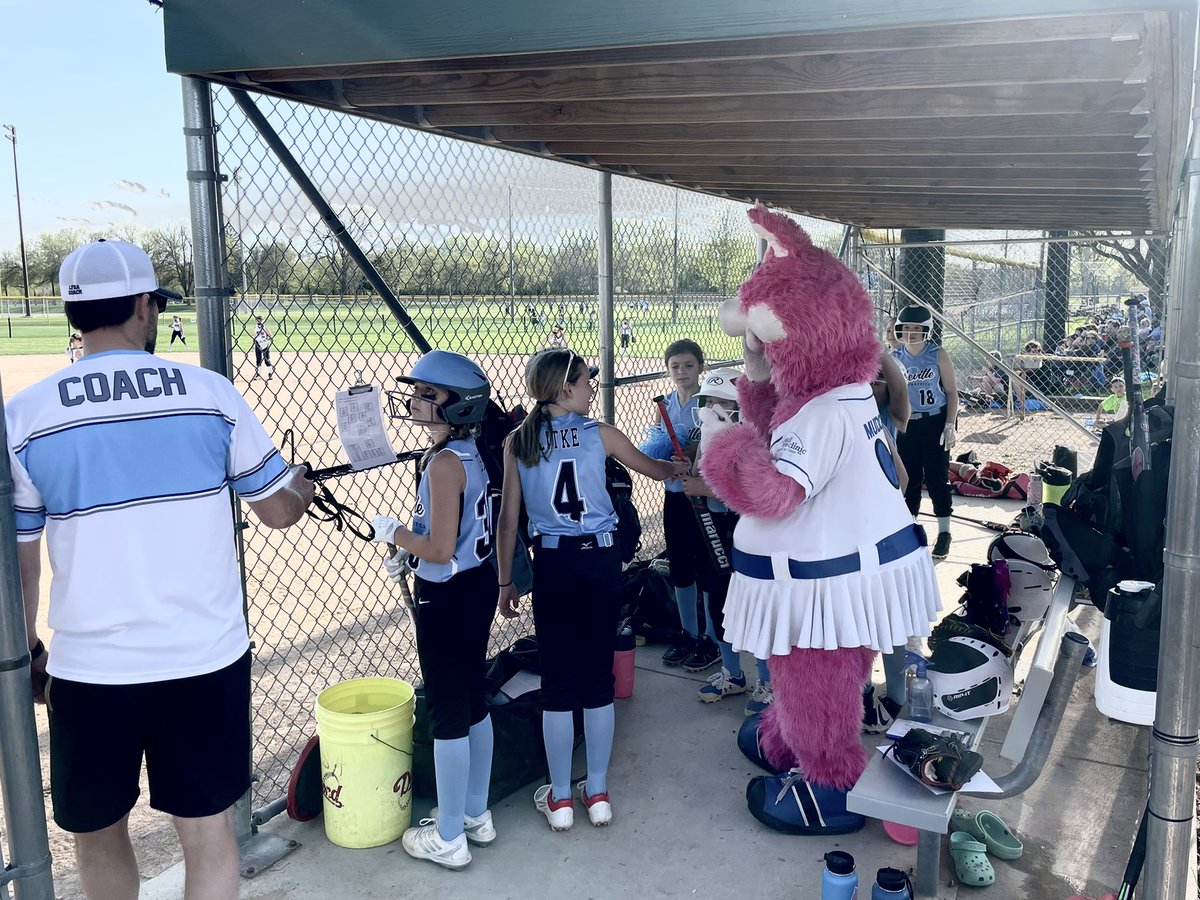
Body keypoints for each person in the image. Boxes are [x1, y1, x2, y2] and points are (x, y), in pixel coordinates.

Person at [7, 239, 315, 900]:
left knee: (99, 833)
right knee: (207, 832)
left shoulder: (26, 417)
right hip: (204, 658)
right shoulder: (210, 395)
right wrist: (302, 486)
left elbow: (22, 568)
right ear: (145, 307)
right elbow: (278, 512)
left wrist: (30, 649)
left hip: (92, 668)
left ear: (71, 315)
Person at [494, 348, 685, 832]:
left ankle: (560, 800)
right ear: (564, 389)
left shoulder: (519, 440)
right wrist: (684, 466)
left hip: (553, 565)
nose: (592, 387)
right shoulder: (600, 433)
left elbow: (508, 521)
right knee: (598, 681)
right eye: (584, 381)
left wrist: (504, 581)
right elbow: (657, 469)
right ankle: (596, 793)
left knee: (559, 682)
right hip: (599, 562)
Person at [370, 351, 498, 870]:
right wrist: (413, 545)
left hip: (447, 594)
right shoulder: (468, 454)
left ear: (461, 406)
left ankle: (449, 836)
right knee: (473, 698)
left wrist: (395, 532)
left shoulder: (445, 464)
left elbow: (441, 549)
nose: (418, 401)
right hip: (477, 585)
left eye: (430, 394)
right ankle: (474, 813)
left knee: (448, 708)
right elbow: (453, 537)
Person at [679, 368, 773, 714]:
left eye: (724, 404)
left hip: (747, 532)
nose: (714, 410)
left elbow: (756, 492)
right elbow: (701, 470)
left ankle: (768, 681)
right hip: (713, 526)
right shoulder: (709, 434)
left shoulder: (756, 439)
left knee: (755, 603)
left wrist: (705, 487)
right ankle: (731, 673)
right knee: (715, 596)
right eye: (710, 402)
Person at [644, 339, 719, 671]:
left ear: (701, 367)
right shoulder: (666, 404)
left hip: (702, 498)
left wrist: (691, 453)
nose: (682, 372)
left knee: (707, 569)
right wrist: (664, 456)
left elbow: (715, 449)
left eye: (688, 365)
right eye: (675, 366)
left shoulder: (710, 403)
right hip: (675, 496)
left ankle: (713, 639)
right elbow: (656, 445)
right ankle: (688, 632)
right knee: (681, 566)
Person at [891, 304, 958, 560]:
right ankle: (910, 529)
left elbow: (951, 392)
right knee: (909, 480)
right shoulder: (895, 356)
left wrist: (950, 424)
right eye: (906, 329)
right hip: (908, 423)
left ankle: (944, 532)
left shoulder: (937, 354)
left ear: (926, 331)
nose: (910, 334)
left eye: (916, 329)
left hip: (935, 421)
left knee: (937, 477)